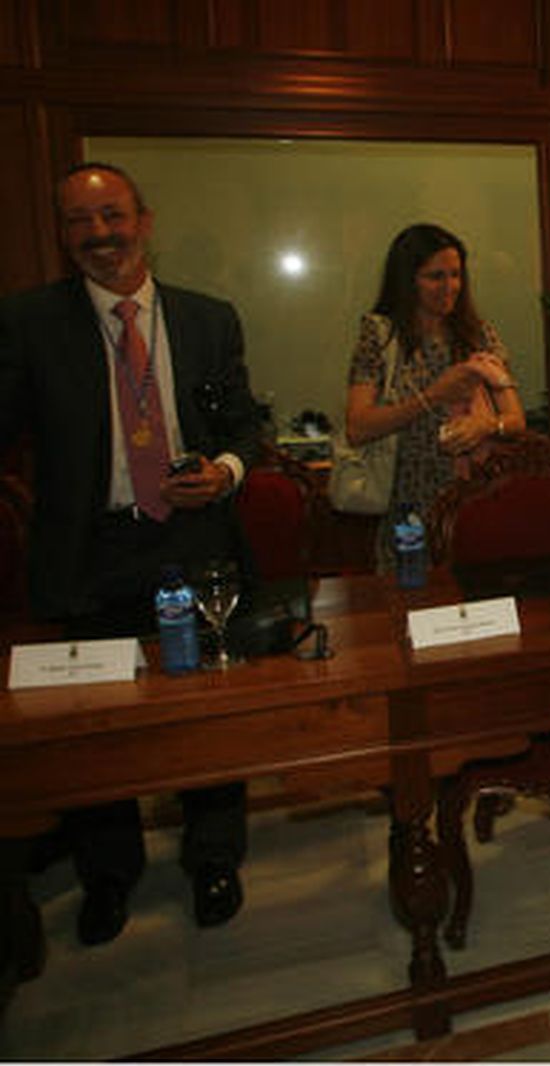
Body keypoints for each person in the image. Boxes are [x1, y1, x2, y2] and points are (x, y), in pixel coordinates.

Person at [0, 162, 259, 946]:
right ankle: (108, 873)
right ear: (63, 235)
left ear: (144, 221)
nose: (99, 234)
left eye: (112, 215)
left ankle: (214, 858)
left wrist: (225, 472)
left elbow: (245, 427)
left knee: (210, 713)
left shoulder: (209, 319)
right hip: (90, 552)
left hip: (195, 541)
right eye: (80, 222)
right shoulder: (27, 322)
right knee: (95, 723)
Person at [343, 223, 526, 571]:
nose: (449, 287)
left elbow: (516, 421)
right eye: (435, 277)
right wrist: (432, 397)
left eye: (456, 275)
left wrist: (486, 426)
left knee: (477, 591)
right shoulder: (380, 335)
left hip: (473, 497)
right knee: (411, 592)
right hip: (407, 500)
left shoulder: (478, 335)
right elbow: (358, 427)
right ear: (407, 280)